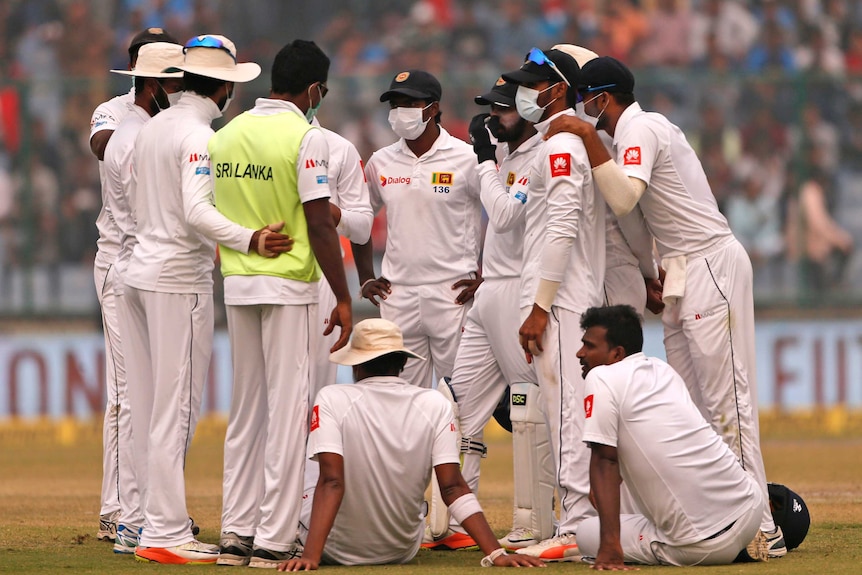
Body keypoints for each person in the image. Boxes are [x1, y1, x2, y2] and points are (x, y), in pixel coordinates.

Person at [545, 55, 785, 557]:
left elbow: (627, 198)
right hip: (680, 271)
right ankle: (721, 517)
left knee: (728, 407)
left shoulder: (643, 128)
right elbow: (633, 216)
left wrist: (588, 140)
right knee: (695, 411)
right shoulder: (621, 138)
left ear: (603, 98)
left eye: (587, 102)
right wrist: (652, 272)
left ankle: (763, 528)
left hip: (710, 264)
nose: (583, 112)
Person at [123, 34, 291, 565]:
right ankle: (166, 532)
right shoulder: (198, 136)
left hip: (139, 271)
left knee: (153, 407)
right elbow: (197, 212)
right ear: (222, 87)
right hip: (176, 278)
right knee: (177, 409)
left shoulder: (151, 129)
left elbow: (136, 198)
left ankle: (151, 523)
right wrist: (251, 239)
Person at [209, 39, 353, 569]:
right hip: (291, 286)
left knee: (246, 412)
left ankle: (235, 533)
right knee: (291, 413)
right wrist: (342, 296)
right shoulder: (307, 138)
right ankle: (272, 539)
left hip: (238, 283)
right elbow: (318, 221)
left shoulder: (225, 135)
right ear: (313, 88)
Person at [278, 318, 545, 570]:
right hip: (402, 549)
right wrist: (496, 553)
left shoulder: (331, 398)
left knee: (306, 454)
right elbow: (452, 486)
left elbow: (332, 482)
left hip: (333, 549)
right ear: (403, 363)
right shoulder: (434, 403)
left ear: (355, 364)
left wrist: (311, 556)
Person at [434, 77, 552, 552]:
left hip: (520, 292)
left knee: (529, 408)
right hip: (491, 290)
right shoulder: (505, 155)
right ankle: (460, 518)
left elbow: (505, 217)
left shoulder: (538, 154)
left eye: (500, 111)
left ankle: (537, 522)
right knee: (459, 407)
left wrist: (483, 160)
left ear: (525, 114)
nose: (489, 120)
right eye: (487, 110)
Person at [501, 47, 606, 561]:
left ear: (558, 89)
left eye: (533, 83)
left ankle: (576, 526)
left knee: (568, 409)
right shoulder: (552, 142)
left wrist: (540, 306)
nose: (524, 93)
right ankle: (576, 521)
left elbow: (562, 226)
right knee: (559, 406)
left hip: (562, 300)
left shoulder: (562, 144)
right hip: (555, 296)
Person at [575, 305, 766, 567]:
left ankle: (721, 548)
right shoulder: (661, 369)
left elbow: (604, 460)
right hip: (750, 510)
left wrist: (609, 547)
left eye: (589, 346)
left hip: (702, 545)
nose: (580, 353)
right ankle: (742, 544)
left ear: (617, 353)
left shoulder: (601, 376)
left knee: (585, 534)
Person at [89, 26, 179, 543]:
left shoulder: (179, 116)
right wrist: (144, 132)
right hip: (119, 257)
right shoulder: (115, 111)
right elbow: (102, 145)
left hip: (156, 259)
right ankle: (122, 512)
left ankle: (129, 508)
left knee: (149, 392)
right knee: (127, 393)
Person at [355, 69, 483, 389]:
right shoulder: (380, 161)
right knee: (401, 395)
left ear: (433, 108)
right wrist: (364, 277)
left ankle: (465, 443)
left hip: (453, 292)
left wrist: (488, 275)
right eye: (395, 104)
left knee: (462, 394)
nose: (400, 113)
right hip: (397, 294)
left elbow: (502, 218)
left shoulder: (467, 158)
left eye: (410, 103)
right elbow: (360, 219)